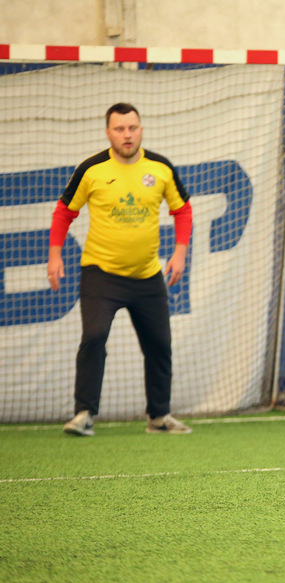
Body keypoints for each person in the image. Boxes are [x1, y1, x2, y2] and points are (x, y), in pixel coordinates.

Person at [48, 102, 194, 436]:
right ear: (108, 133)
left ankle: (159, 417)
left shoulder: (160, 168)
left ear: (140, 129)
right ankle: (84, 414)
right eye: (119, 129)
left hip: (147, 276)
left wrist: (180, 253)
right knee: (94, 336)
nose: (127, 135)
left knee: (160, 344)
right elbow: (64, 212)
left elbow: (183, 209)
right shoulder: (91, 169)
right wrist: (55, 256)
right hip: (101, 275)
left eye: (132, 128)